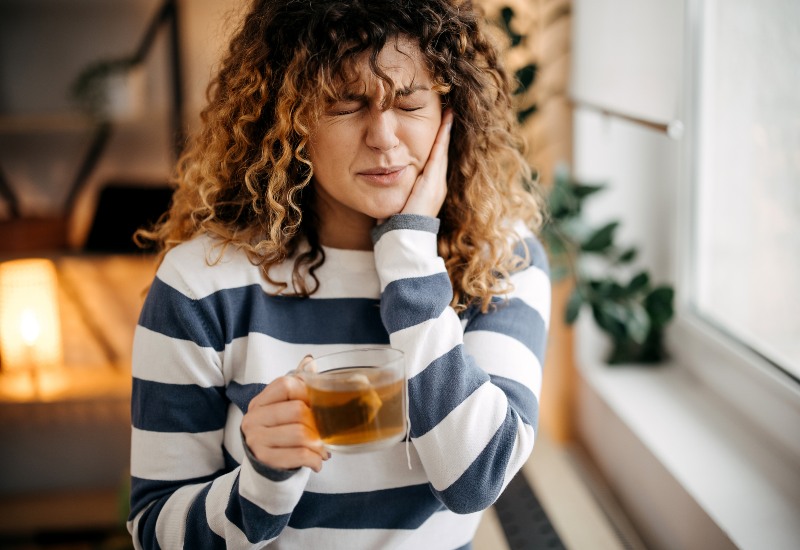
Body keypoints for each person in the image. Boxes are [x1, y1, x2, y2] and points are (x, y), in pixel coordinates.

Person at [128, 0, 551, 548]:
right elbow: (154, 530)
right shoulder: (202, 286)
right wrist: (261, 482)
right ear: (288, 118)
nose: (383, 136)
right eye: (346, 105)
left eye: (408, 101)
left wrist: (408, 257)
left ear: (452, 109)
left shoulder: (502, 259)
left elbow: (478, 477)